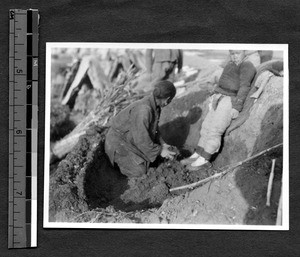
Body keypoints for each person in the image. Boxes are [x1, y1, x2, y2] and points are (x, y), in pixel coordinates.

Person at [181, 50, 256, 170]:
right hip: (220, 97)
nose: (234, 56)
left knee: (215, 129)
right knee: (206, 126)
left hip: (230, 99)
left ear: (245, 52)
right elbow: (222, 82)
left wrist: (237, 107)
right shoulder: (230, 64)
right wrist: (214, 94)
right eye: (232, 53)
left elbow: (244, 87)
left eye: (237, 53)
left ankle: (205, 158)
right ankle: (199, 152)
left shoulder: (247, 66)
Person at [105, 80, 177, 178]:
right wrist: (160, 151)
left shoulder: (155, 105)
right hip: (118, 142)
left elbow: (153, 128)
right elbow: (141, 139)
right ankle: (118, 169)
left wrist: (163, 143)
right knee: (140, 171)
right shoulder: (144, 110)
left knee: (151, 158)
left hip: (131, 137)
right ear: (167, 99)